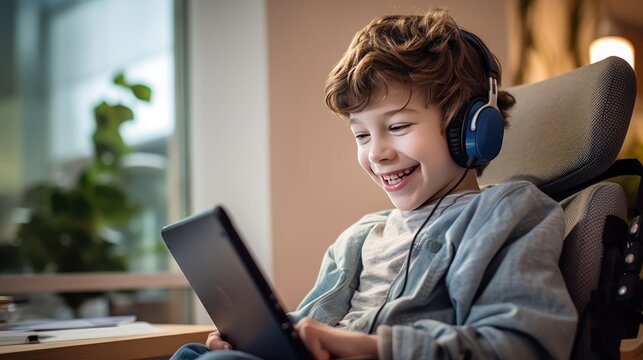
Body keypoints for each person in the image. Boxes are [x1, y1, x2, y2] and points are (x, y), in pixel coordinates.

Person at [172, 8, 577, 360]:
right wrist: (256, 340)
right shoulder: (358, 239)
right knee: (197, 353)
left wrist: (368, 346)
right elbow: (313, 325)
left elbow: (524, 346)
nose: (376, 153)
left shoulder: (508, 214)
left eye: (398, 126)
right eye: (361, 136)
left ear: (472, 130)